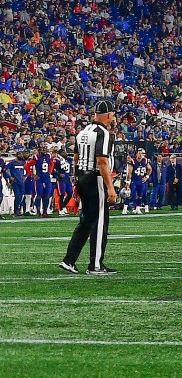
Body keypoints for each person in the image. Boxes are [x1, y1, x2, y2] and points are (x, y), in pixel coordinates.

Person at [60, 105, 117, 276]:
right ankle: (96, 265)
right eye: (112, 114)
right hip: (95, 179)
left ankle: (69, 260)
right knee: (100, 223)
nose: (113, 117)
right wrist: (110, 188)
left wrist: (77, 182)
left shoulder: (83, 131)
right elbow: (102, 161)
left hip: (83, 177)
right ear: (107, 114)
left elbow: (76, 159)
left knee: (86, 222)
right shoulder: (103, 133)